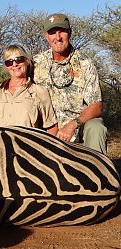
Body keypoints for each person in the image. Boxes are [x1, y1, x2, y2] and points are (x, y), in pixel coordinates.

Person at [33, 13, 107, 154]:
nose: (58, 37)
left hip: (77, 129)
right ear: (46, 37)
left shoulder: (85, 63)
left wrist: (73, 125)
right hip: (45, 130)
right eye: (52, 33)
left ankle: (96, 172)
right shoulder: (36, 63)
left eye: (62, 31)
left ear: (70, 33)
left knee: (97, 127)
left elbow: (97, 106)